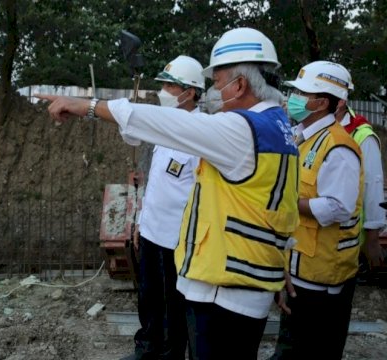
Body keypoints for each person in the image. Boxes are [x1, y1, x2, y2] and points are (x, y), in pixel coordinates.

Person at [38, 27, 299, 359]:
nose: (215, 92)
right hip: (245, 280)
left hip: (227, 288)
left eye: (218, 83)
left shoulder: (241, 129)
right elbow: (278, 204)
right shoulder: (278, 128)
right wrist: (279, 260)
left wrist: (87, 106)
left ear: (241, 84)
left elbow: (156, 121)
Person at [271, 61, 364, 360]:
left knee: (314, 350)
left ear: (322, 102)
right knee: (290, 348)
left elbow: (337, 207)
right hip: (298, 267)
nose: (293, 97)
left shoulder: (338, 147)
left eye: (301, 92)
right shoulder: (301, 135)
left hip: (323, 278)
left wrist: (287, 203)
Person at [124, 55, 205, 360]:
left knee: (174, 304)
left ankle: (170, 354)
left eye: (171, 86)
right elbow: (158, 183)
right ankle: (147, 348)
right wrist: (141, 222)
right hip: (151, 233)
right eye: (164, 85)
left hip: (178, 240)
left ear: (191, 92)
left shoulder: (201, 132)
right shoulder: (164, 127)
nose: (164, 92)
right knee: (149, 298)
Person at [334, 82, 386, 274]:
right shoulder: (308, 130)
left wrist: (372, 238)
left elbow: (372, 185)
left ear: (339, 101)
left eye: (307, 93)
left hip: (348, 239)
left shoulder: (362, 135)